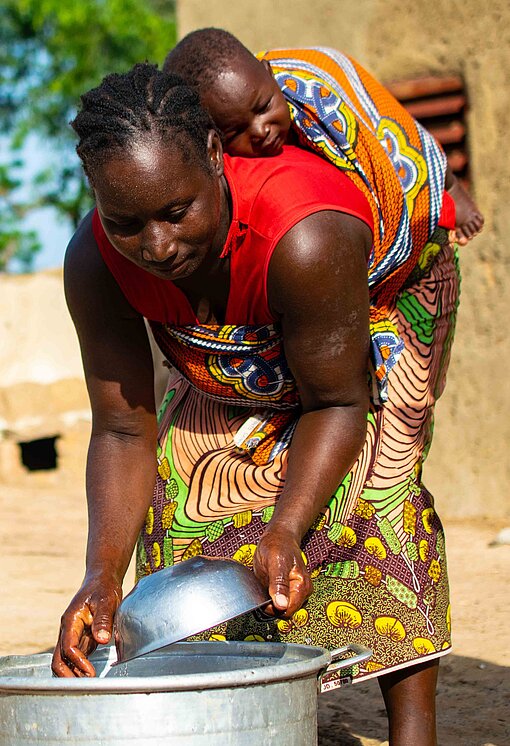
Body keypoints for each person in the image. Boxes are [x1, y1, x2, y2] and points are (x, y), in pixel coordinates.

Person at [52, 63, 459, 746]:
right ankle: (243, 709)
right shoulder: (96, 264)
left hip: (348, 343)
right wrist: (101, 573)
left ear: (214, 155)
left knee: (380, 495)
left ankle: (411, 726)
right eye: (127, 223)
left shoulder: (305, 235)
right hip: (225, 359)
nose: (157, 247)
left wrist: (286, 529)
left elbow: (335, 399)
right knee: (180, 507)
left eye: (177, 212)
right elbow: (124, 429)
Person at [164, 27, 484, 247]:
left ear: (269, 74)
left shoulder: (314, 93)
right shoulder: (227, 170)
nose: (261, 130)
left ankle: (451, 188)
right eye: (235, 131)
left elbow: (388, 127)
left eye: (263, 107)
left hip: (399, 200)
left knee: (402, 142)